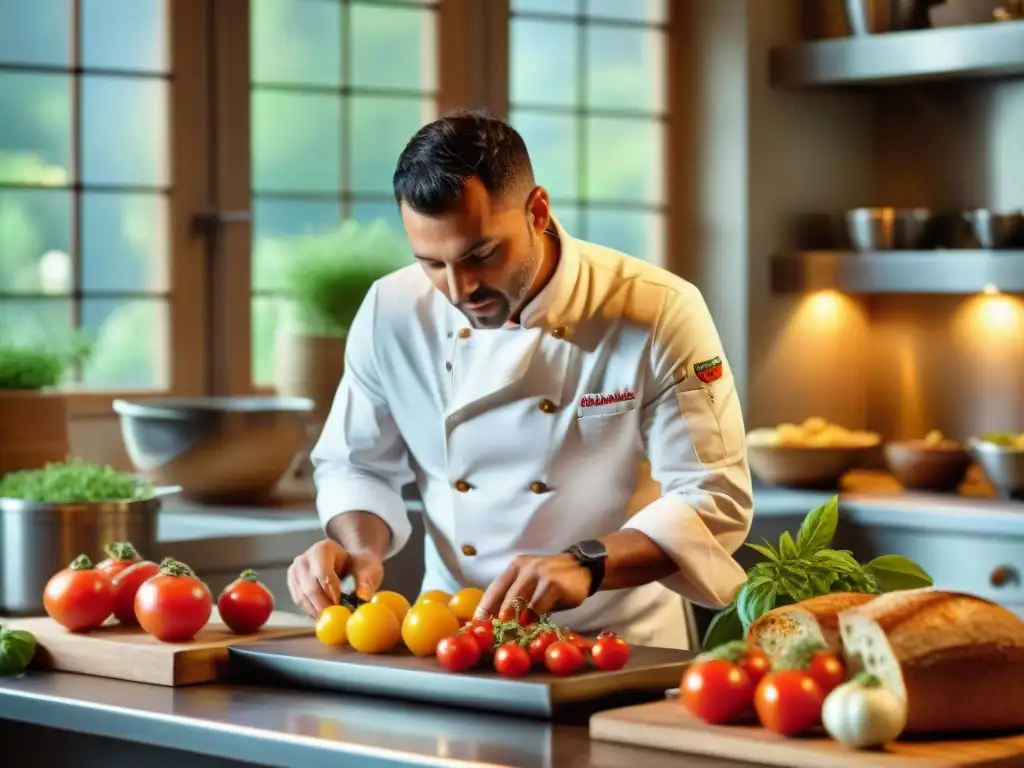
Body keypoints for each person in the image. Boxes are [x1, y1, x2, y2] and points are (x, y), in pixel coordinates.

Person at [287, 109, 753, 649]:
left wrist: (587, 563)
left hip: (618, 643)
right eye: (431, 264)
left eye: (481, 254)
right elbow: (356, 463)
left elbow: (713, 495)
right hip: (452, 638)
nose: (459, 289)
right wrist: (359, 548)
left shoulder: (659, 309)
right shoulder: (390, 311)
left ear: (537, 210)